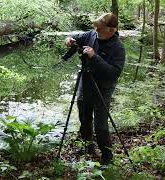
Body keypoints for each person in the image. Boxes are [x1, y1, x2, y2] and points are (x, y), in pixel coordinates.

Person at [64, 13, 126, 165]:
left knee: (100, 124)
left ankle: (107, 157)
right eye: (95, 26)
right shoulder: (92, 34)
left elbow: (113, 74)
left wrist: (94, 57)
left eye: (99, 27)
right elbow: (77, 37)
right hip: (86, 82)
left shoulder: (118, 48)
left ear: (111, 30)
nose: (95, 29)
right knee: (84, 118)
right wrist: (70, 39)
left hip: (103, 88)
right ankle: (88, 147)